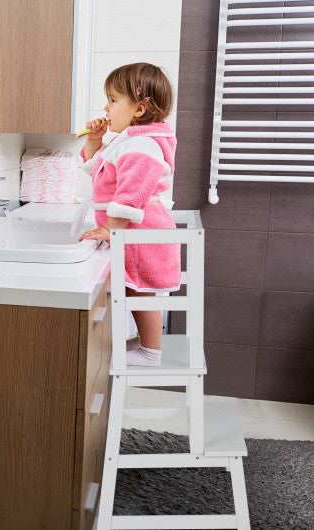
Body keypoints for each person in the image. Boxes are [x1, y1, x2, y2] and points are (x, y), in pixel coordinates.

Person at [78, 62, 181, 367]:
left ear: (138, 109)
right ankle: (146, 344)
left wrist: (109, 227)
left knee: (141, 293)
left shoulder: (141, 144)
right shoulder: (131, 141)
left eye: (112, 100)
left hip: (140, 234)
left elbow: (132, 192)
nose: (106, 107)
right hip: (136, 233)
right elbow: (99, 171)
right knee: (135, 291)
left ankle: (151, 352)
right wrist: (95, 140)